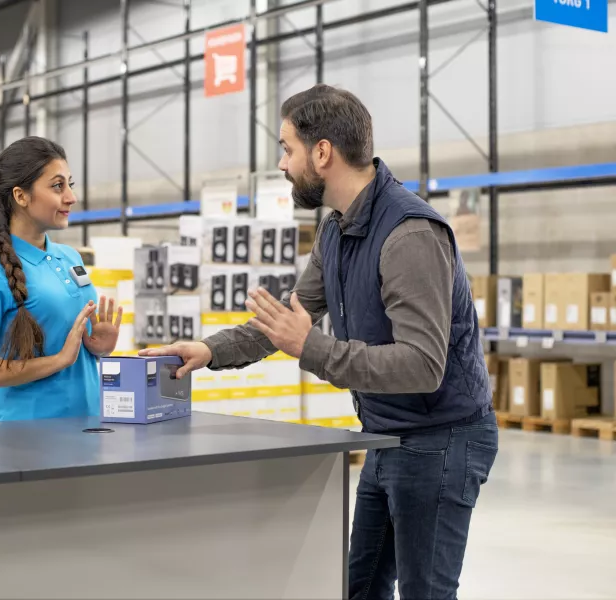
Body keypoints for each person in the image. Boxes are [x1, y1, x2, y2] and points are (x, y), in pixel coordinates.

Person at [141, 84, 498, 599]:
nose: (282, 164)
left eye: (287, 149)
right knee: (360, 587)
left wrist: (311, 348)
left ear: (323, 152)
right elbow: (288, 320)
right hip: (389, 432)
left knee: (426, 592)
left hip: (441, 439)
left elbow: (422, 365)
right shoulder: (337, 232)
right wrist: (209, 350)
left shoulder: (409, 234)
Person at [0, 136, 122, 422]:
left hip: (90, 426)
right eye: (57, 186)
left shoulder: (70, 257)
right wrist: (58, 361)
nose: (71, 197)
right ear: (21, 196)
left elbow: (73, 343)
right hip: (29, 436)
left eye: (70, 185)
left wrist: (100, 347)